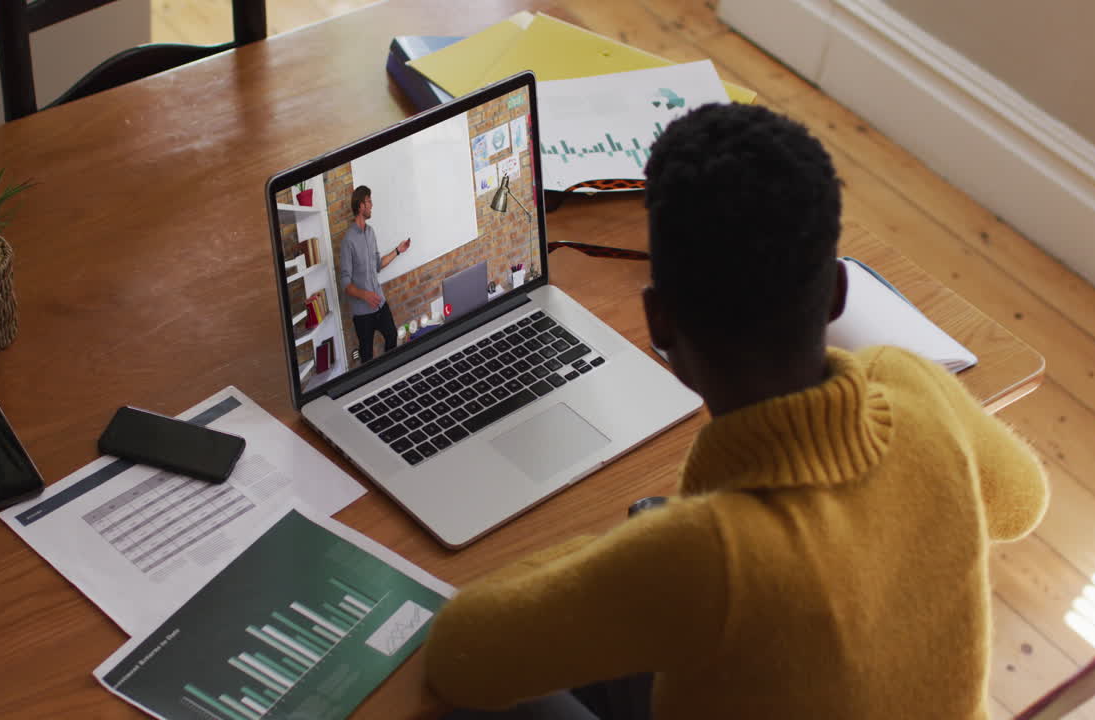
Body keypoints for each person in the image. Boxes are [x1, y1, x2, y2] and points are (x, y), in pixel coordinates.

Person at [423, 103, 1049, 718]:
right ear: (837, 292)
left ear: (659, 321)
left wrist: (629, 551)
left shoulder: (702, 557)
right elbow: (1022, 503)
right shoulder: (914, 384)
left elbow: (459, 655)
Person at [340, 185, 411, 362]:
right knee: (367, 356)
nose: (372, 205)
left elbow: (378, 264)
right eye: (369, 201)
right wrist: (364, 295)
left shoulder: (371, 232)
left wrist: (398, 250)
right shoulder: (348, 241)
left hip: (380, 303)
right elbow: (345, 283)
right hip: (362, 313)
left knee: (392, 336)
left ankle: (389, 370)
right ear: (360, 206)